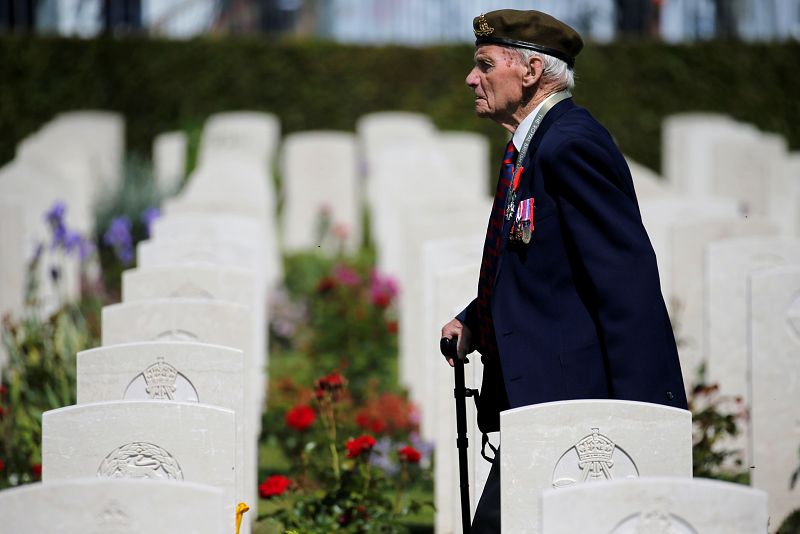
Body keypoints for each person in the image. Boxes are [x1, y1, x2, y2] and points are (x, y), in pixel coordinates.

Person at [439, 9, 688, 532]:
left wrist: (643, 428)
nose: (470, 78)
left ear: (529, 72)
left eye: (485, 65)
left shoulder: (569, 146)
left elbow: (627, 288)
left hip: (575, 412)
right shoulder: (535, 146)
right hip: (544, 404)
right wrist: (475, 322)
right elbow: (533, 260)